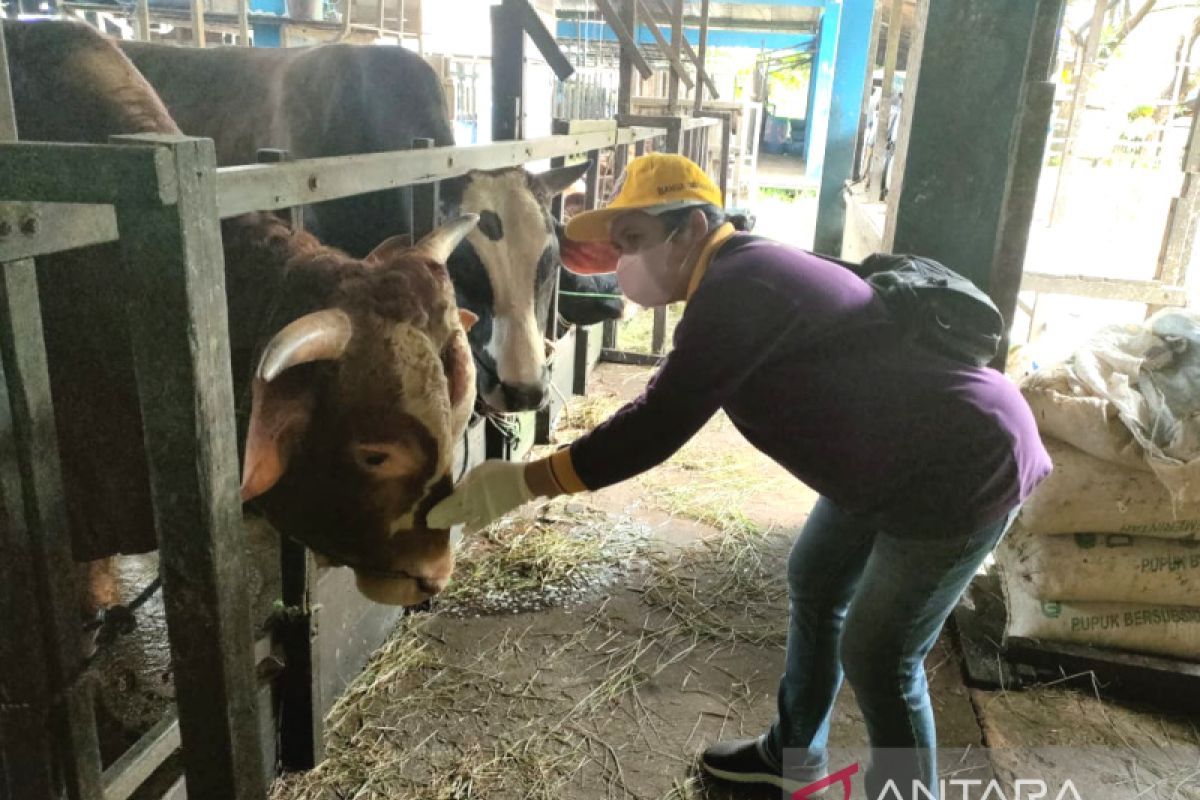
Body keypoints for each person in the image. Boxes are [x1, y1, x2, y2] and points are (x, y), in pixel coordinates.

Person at [428, 153, 1051, 797]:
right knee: (815, 579)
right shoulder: (736, 273)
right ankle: (789, 754)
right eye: (619, 246)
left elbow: (657, 424)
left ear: (692, 228)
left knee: (881, 654)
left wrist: (526, 481)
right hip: (886, 460)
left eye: (635, 241)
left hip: (960, 466)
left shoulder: (741, 287)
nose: (624, 261)